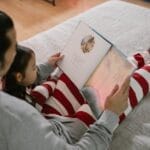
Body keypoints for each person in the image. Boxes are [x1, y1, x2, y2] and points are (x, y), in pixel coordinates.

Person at [0, 10, 140, 150]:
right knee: (112, 94)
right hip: (57, 130)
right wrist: (111, 114)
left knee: (76, 75)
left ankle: (138, 60)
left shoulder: (10, 85)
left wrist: (47, 66)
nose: (16, 50)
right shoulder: (17, 119)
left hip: (44, 117)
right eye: (13, 45)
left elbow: (29, 77)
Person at [3, 45, 97, 127]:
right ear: (19, 77)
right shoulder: (20, 109)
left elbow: (36, 75)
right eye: (33, 67)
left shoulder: (13, 80)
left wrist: (48, 65)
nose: (36, 69)